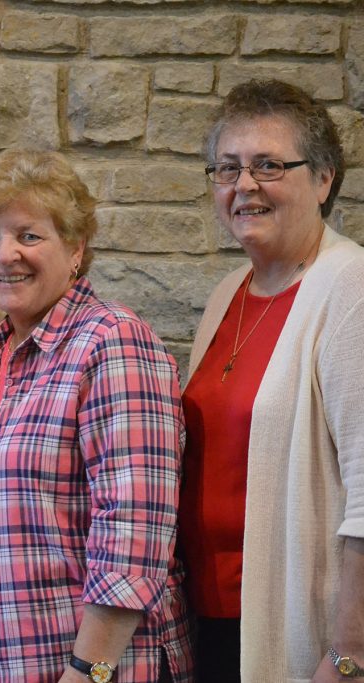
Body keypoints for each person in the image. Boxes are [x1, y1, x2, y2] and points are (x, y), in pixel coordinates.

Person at [0, 148, 193, 683]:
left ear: (75, 249)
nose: (5, 255)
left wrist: (86, 670)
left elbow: (134, 531)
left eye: (29, 235)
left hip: (78, 664)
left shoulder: (111, 341)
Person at [178, 79, 364, 682]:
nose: (244, 186)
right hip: (209, 619)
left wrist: (348, 656)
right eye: (227, 168)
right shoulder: (226, 295)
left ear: (324, 179)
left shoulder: (350, 289)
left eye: (269, 166)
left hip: (301, 635)